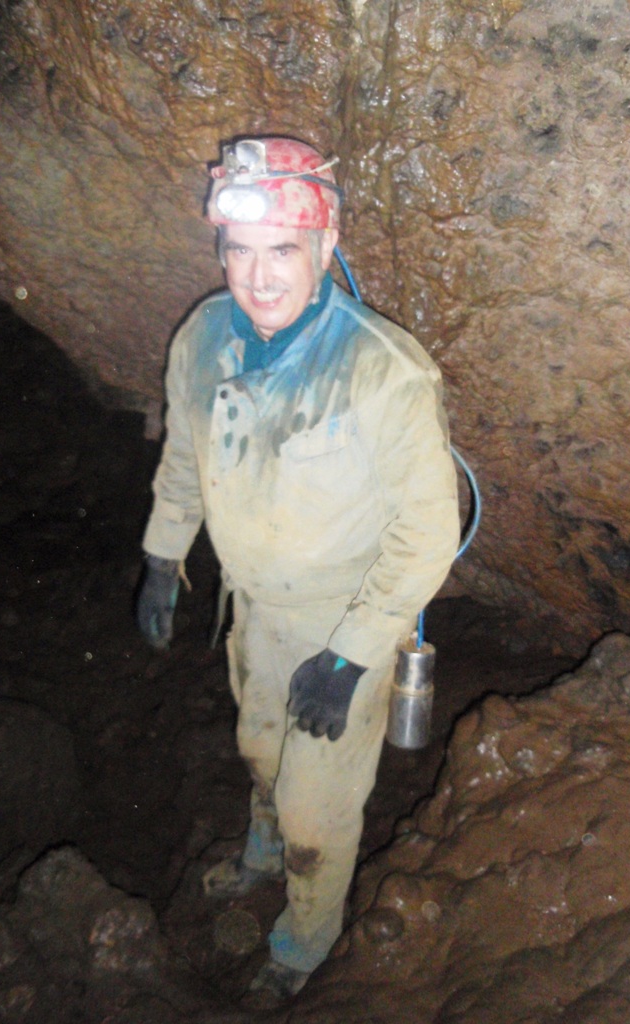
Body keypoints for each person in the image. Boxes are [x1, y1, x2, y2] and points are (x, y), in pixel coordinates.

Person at [137, 136, 460, 1000]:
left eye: (282, 250)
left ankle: (304, 947)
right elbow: (183, 458)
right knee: (259, 748)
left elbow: (428, 533)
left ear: (325, 245)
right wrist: (164, 556)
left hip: (344, 620)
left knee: (318, 807)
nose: (259, 277)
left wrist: (350, 657)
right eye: (239, 251)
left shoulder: (382, 371)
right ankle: (262, 851)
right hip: (254, 611)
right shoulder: (203, 337)